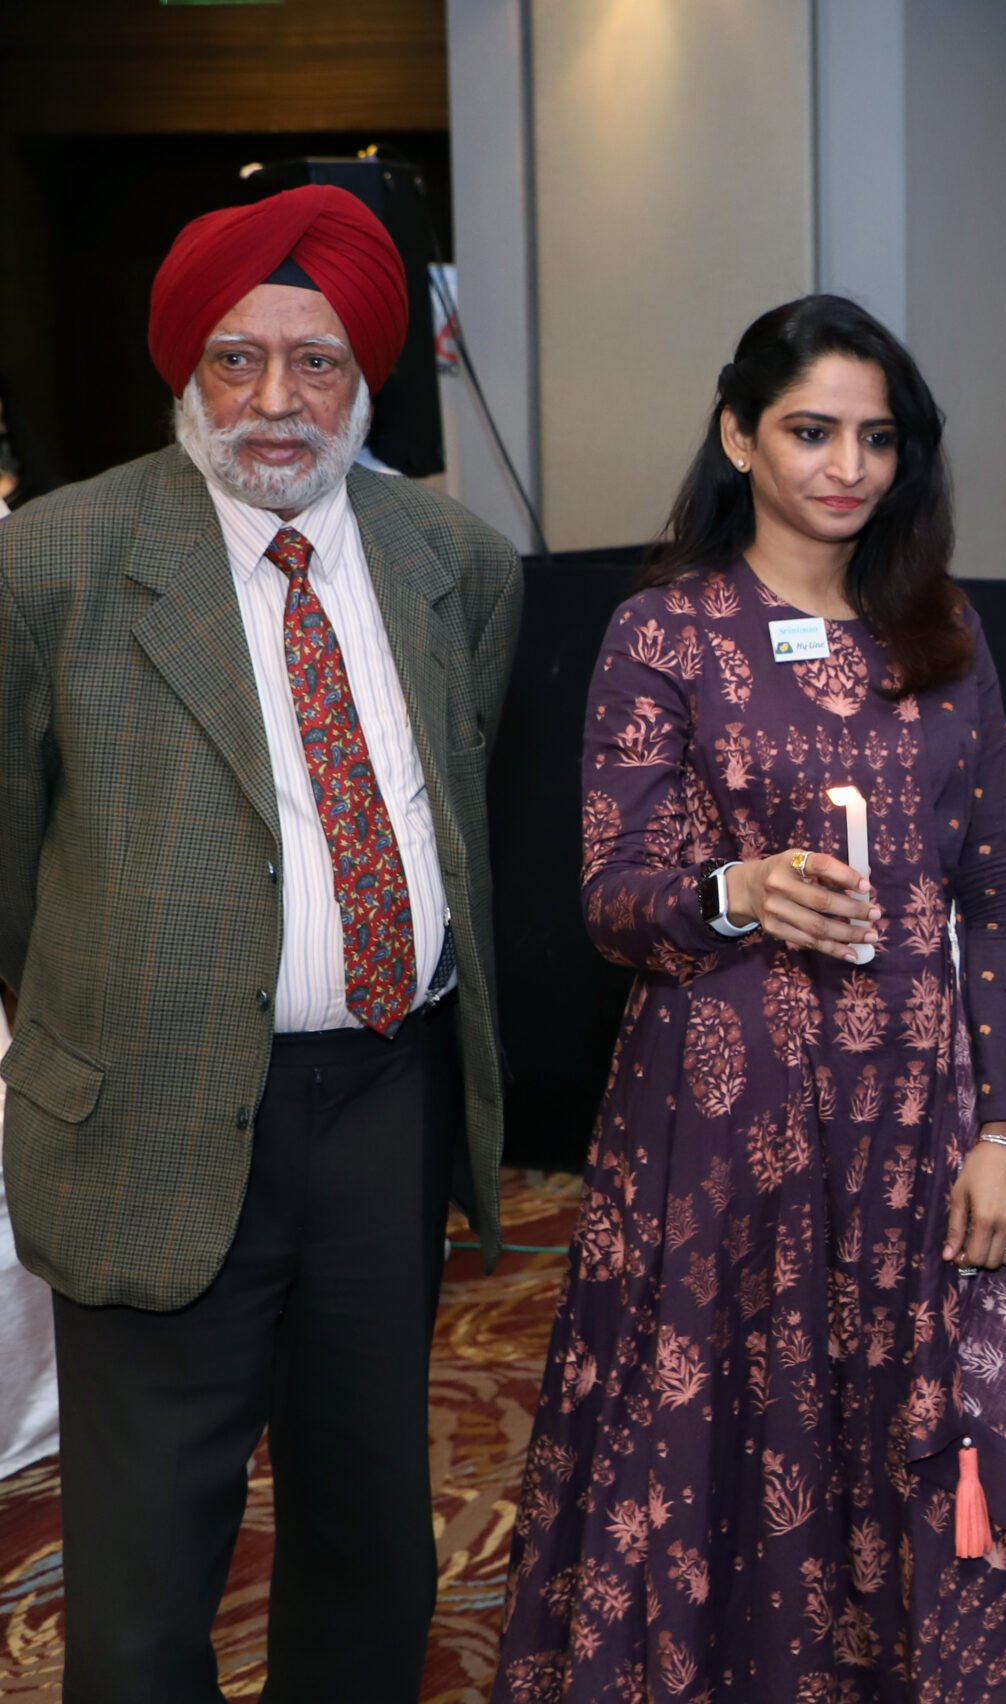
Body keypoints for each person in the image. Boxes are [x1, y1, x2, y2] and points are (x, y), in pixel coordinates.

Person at [493, 294, 1006, 1703]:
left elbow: (1002, 888)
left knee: (906, 1424)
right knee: (724, 1437)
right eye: (810, 431)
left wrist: (1005, 1130)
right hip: (723, 1127)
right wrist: (736, 890)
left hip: (915, 1121)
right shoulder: (668, 633)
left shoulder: (940, 632)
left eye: (876, 437)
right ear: (737, 436)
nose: (847, 466)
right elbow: (610, 894)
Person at [0, 183, 522, 1702]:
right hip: (148, 1112)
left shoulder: (455, 560)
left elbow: (458, 798)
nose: (278, 402)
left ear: (367, 377)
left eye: (319, 364)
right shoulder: (56, 565)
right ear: (185, 371)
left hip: (384, 1100)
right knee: (151, 1562)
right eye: (239, 359)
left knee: (371, 1529)